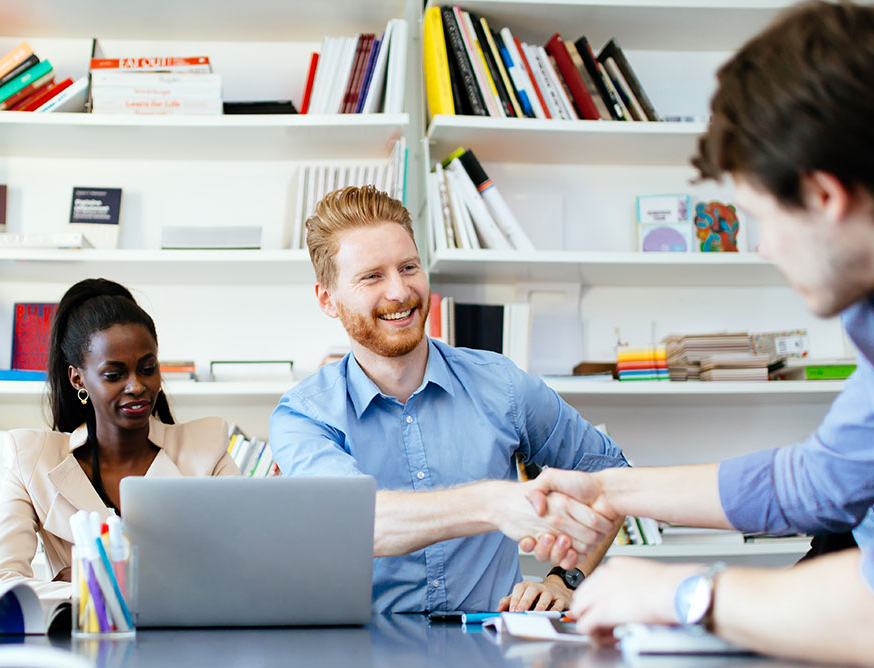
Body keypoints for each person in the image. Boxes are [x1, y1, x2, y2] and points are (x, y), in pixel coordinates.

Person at [525, 1, 874, 668]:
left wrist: (682, 593)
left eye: (757, 216)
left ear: (824, 195)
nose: (760, 246)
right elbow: (821, 481)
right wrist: (610, 492)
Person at [268, 186, 626, 614]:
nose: (400, 292)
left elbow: (609, 475)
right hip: (363, 660)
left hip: (494, 657)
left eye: (408, 267)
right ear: (328, 298)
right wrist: (492, 503)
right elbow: (354, 522)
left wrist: (566, 579)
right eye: (372, 276)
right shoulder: (303, 416)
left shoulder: (502, 386)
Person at [0, 279, 241, 600]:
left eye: (147, 368)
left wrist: (90, 577)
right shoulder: (33, 460)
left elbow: (244, 565)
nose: (137, 386)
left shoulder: (207, 447)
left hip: (185, 643)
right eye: (114, 375)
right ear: (78, 378)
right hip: (82, 643)